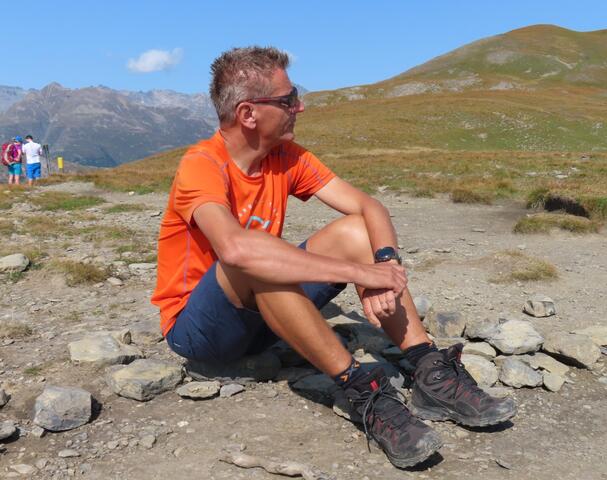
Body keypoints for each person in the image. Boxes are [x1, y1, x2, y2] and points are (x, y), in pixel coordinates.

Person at [151, 47, 516, 469]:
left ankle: (428, 368)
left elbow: (369, 207)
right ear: (248, 113)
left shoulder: (286, 157)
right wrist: (359, 272)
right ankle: (361, 389)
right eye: (288, 100)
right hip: (200, 332)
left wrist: (384, 265)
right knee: (254, 255)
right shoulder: (201, 164)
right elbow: (234, 250)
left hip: (267, 316)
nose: (299, 107)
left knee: (355, 230)